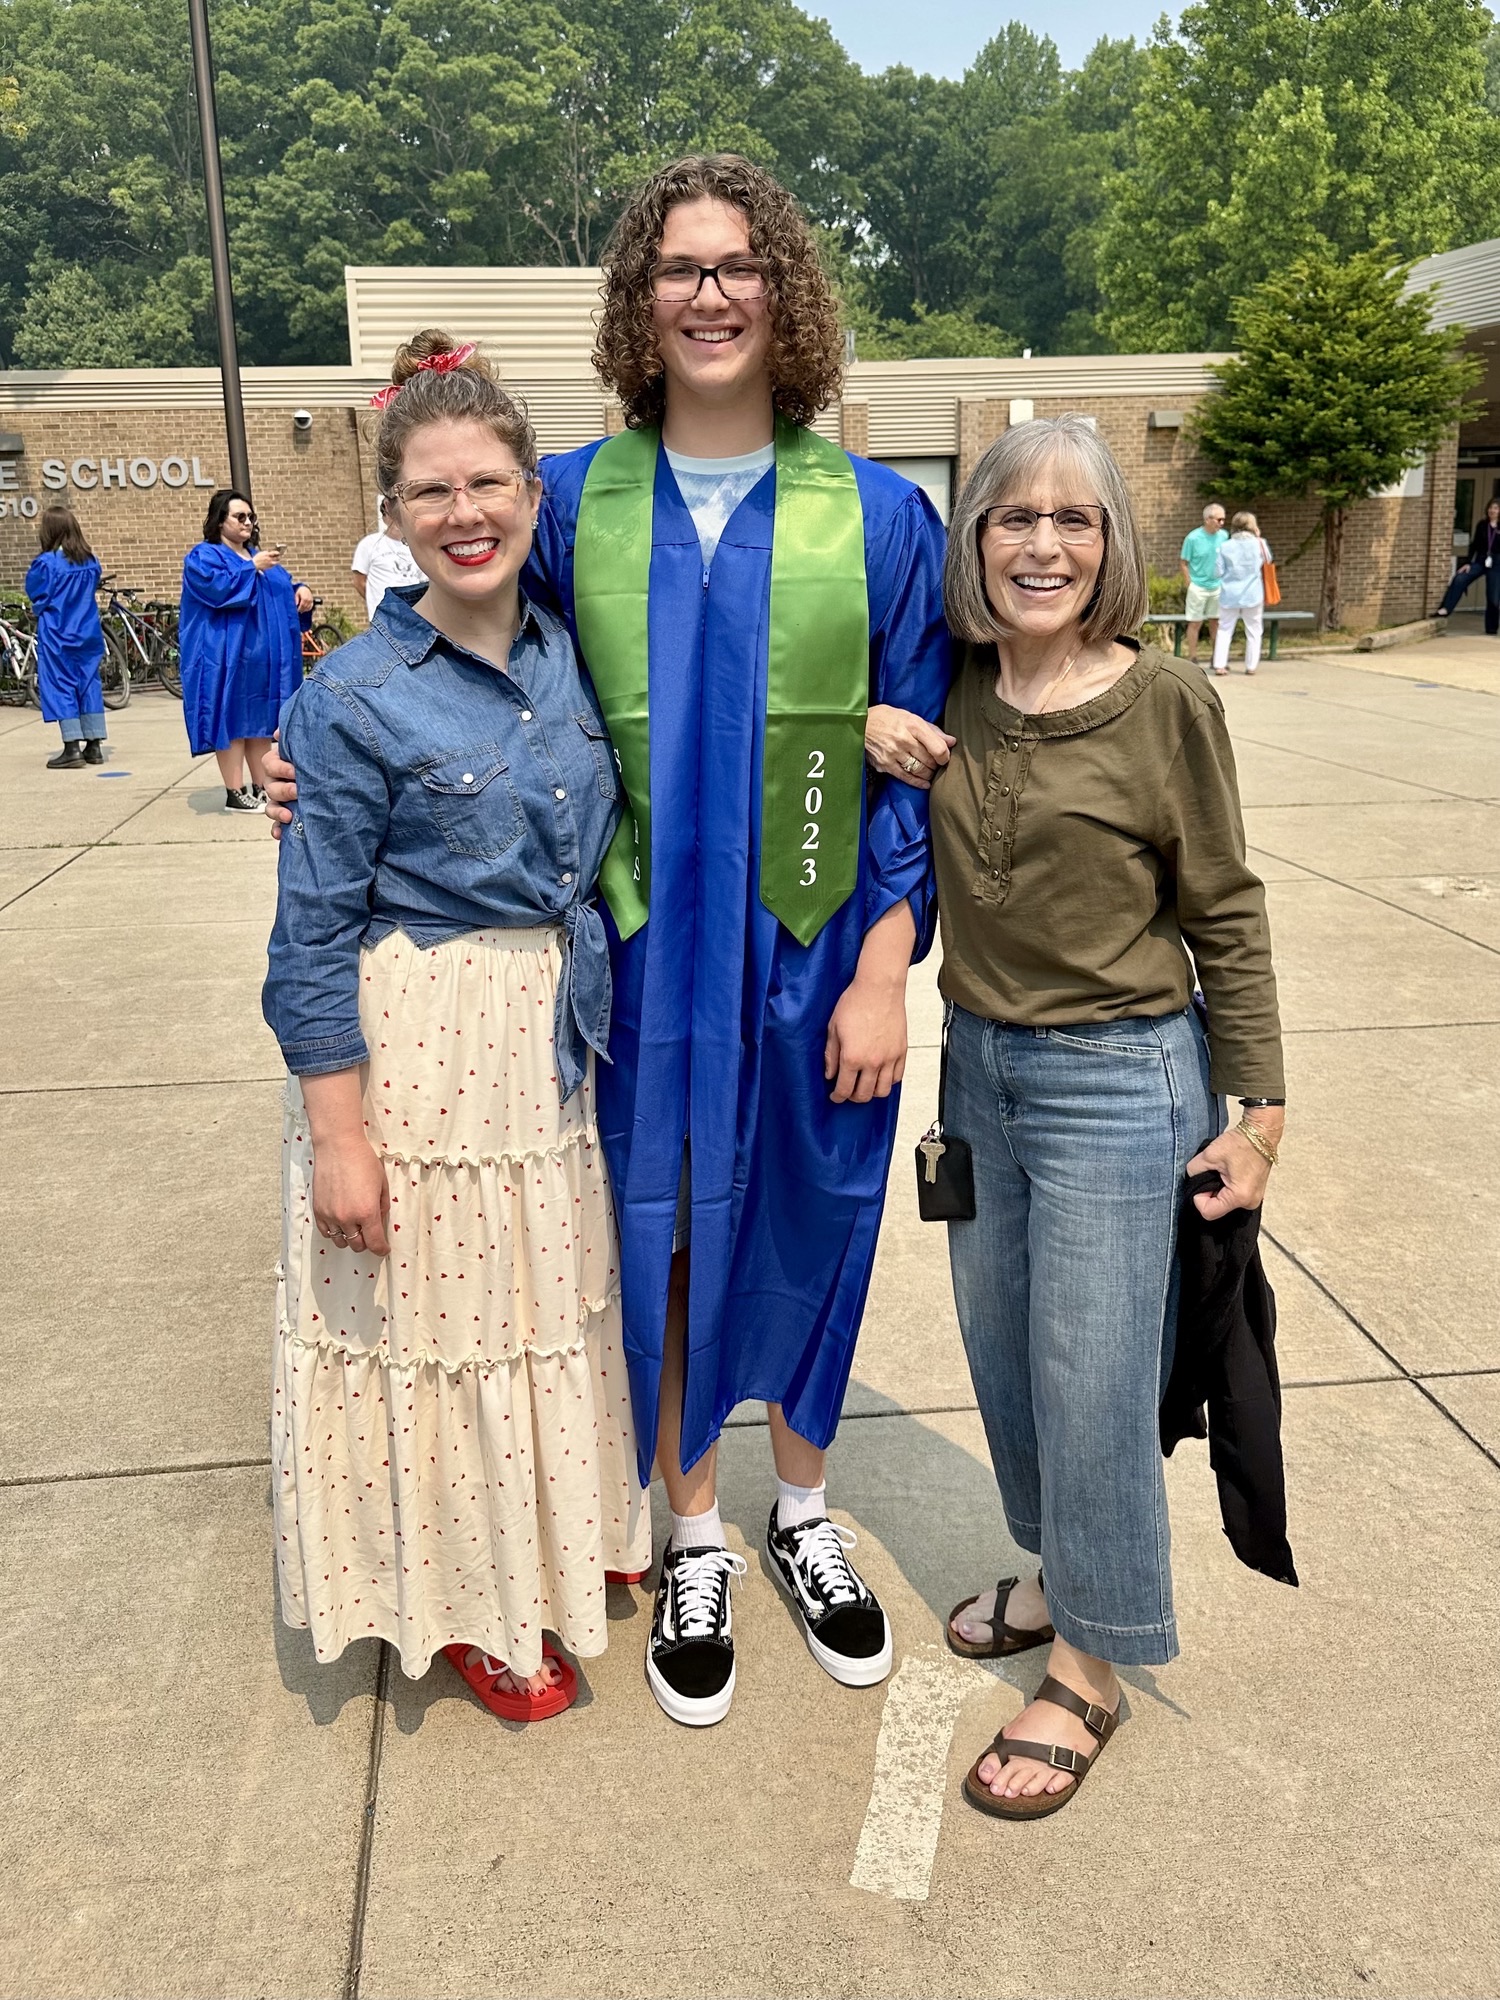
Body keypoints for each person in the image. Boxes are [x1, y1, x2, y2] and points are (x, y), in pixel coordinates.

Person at [265, 155, 952, 1729]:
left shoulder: (886, 514)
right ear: (640, 298)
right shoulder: (573, 499)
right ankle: (690, 1524)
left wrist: (877, 961)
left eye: (739, 266)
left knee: (818, 1209)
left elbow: (927, 743)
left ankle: (802, 1509)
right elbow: (466, 646)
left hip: (810, 945)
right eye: (679, 268)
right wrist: (316, 749)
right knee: (651, 1236)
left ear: (786, 291)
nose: (710, 293)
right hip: (631, 955)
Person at [261, 338, 650, 1722]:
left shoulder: (573, 656)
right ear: (391, 513)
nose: (465, 511)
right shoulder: (354, 697)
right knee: (432, 1339)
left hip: (544, 1034)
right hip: (420, 1042)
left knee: (536, 1313)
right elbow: (307, 936)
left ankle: (548, 1543)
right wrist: (339, 1137)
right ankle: (465, 1602)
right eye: (432, 491)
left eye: (490, 481)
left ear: (535, 495)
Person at [930, 416, 1284, 1820]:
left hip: (1116, 1081)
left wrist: (1258, 1115)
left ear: (1115, 546)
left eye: (1075, 520)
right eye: (1014, 518)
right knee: (1004, 1351)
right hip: (978, 1075)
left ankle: (1093, 1660)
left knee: (1091, 1379)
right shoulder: (948, 688)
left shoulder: (1167, 705)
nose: (1043, 544)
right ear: (976, 542)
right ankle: (1055, 1570)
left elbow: (1230, 913)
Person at [179, 491, 312, 812]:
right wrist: (252, 566)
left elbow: (280, 587)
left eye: (251, 517)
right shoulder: (205, 557)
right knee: (232, 721)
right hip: (229, 657)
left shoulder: (257, 557)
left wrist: (301, 589)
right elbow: (217, 590)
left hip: (264, 660)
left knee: (262, 723)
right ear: (219, 520)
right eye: (240, 517)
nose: (248, 523)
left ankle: (261, 785)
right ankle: (234, 790)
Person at [24, 505, 107, 771]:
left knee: (61, 686)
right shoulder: (90, 561)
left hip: (59, 632)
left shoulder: (46, 564)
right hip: (87, 631)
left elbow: (38, 595)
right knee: (88, 683)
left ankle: (72, 747)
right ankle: (94, 745)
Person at [1212, 511, 1272, 675]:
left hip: (1229, 593)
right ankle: (1251, 666)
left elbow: (1217, 571)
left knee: (1224, 629)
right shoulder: (1259, 543)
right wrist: (1259, 536)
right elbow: (1268, 560)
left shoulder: (1225, 546)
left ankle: (1219, 664)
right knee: (1253, 630)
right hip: (1253, 593)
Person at [350, 498, 427, 622]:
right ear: (384, 517)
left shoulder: (418, 544)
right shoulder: (370, 544)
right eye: (392, 515)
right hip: (385, 619)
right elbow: (359, 582)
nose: (396, 520)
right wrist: (377, 602)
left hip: (417, 616)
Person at [1435, 496, 1500, 630]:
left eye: (1495, 508)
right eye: (1490, 508)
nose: (1492, 511)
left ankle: (1491, 628)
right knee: (1460, 578)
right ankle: (1446, 608)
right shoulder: (1482, 525)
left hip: (1497, 562)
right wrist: (1468, 563)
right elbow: (1474, 545)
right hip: (1481, 560)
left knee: (1493, 596)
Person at [1179, 502, 1226, 665]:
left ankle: (1217, 656)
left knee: (1216, 622)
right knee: (1195, 622)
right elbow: (1184, 562)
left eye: (1223, 520)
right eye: (1219, 520)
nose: (1221, 523)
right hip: (1198, 586)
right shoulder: (1193, 538)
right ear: (1208, 519)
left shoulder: (1224, 536)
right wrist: (1189, 582)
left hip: (1217, 586)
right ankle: (1192, 657)